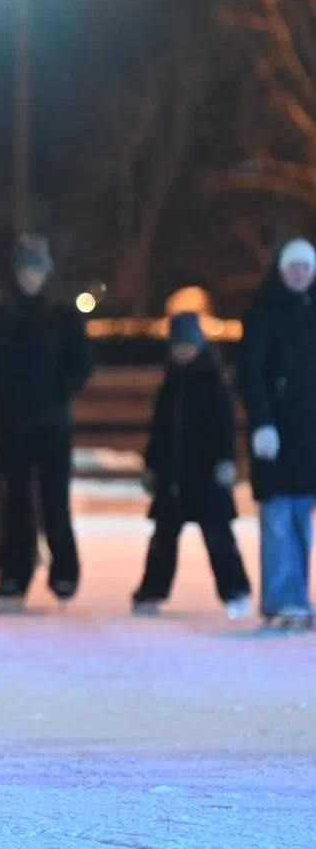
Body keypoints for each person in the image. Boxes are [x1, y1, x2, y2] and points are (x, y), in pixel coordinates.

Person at [0, 235, 92, 609]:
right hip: (13, 423)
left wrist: (59, 393)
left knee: (55, 499)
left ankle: (64, 570)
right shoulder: (1, 315)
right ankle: (15, 572)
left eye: (35, 270)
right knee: (17, 501)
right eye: (24, 269)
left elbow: (81, 362)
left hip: (52, 423)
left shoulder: (61, 314)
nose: (30, 277)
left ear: (46, 273)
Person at [132, 313, 251, 618]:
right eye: (178, 345)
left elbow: (224, 429)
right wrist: (152, 465)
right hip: (173, 477)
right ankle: (152, 591)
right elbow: (159, 432)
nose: (183, 350)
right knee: (163, 539)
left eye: (188, 344)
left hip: (207, 477)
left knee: (219, 537)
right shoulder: (169, 387)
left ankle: (235, 591)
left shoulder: (214, 384)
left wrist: (225, 461)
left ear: (199, 345)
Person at [236, 237, 316, 630]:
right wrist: (263, 421)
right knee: (278, 516)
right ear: (282, 271)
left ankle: (297, 596)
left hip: (308, 435)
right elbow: (250, 373)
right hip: (276, 433)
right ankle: (280, 597)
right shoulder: (264, 312)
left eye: (306, 268)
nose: (299, 274)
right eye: (293, 267)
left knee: (301, 518)